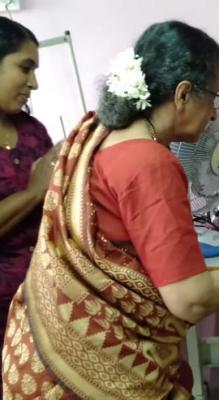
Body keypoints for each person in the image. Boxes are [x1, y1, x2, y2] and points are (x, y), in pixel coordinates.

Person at [2, 20, 219, 399]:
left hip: (37, 357)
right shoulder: (150, 163)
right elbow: (189, 298)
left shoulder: (99, 133)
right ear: (183, 94)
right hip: (89, 374)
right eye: (214, 97)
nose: (214, 114)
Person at [0, 16, 61, 398]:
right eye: (25, 68)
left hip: (43, 297)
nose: (33, 83)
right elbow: (42, 191)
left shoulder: (33, 131)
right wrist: (36, 192)